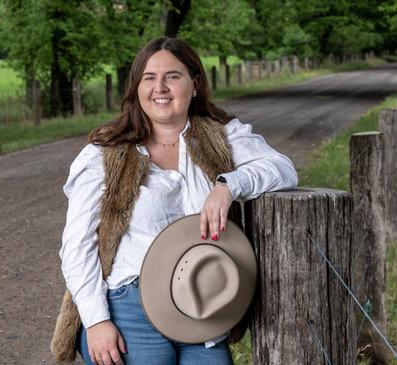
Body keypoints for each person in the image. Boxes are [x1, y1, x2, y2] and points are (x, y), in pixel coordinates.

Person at [58, 37, 298, 365]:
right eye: (149, 78)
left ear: (195, 83)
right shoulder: (104, 155)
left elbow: (282, 169)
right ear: (137, 88)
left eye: (172, 76)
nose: (161, 87)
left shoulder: (222, 136)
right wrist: (97, 321)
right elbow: (77, 246)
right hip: (129, 307)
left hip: (202, 306)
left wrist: (228, 186)